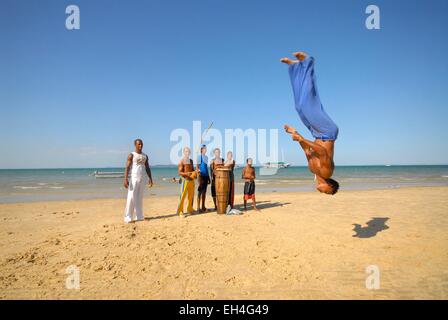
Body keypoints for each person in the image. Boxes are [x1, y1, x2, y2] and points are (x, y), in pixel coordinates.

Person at [281, 51, 340, 195]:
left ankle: (296, 67)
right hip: (327, 132)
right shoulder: (327, 172)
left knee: (300, 106)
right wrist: (302, 138)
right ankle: (307, 62)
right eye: (327, 192)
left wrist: (296, 134)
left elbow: (307, 151)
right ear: (330, 186)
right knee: (307, 103)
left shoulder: (313, 170)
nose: (323, 192)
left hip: (316, 133)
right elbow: (322, 151)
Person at [123, 138, 153, 223]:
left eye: (141, 144)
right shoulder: (131, 155)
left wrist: (150, 178)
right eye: (139, 144)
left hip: (142, 178)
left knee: (139, 198)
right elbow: (127, 167)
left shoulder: (145, 156)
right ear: (135, 145)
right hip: (134, 178)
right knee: (131, 197)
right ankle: (128, 217)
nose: (140, 145)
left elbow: (147, 167)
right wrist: (125, 179)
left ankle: (139, 216)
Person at [177, 147, 196, 217]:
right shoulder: (182, 161)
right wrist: (186, 174)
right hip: (185, 180)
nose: (187, 152)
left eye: (188, 151)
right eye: (186, 151)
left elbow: (192, 169)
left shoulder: (191, 161)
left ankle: (189, 209)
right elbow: (179, 173)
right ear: (184, 152)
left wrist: (196, 172)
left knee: (191, 196)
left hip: (191, 180)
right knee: (182, 196)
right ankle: (180, 211)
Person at [196, 144, 210, 213]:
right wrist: (199, 177)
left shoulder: (206, 157)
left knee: (204, 192)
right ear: (201, 149)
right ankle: (198, 208)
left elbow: (206, 167)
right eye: (204, 148)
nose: (205, 149)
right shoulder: (199, 157)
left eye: (206, 148)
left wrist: (209, 177)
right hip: (201, 176)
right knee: (199, 192)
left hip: (206, 176)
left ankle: (203, 207)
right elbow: (197, 167)